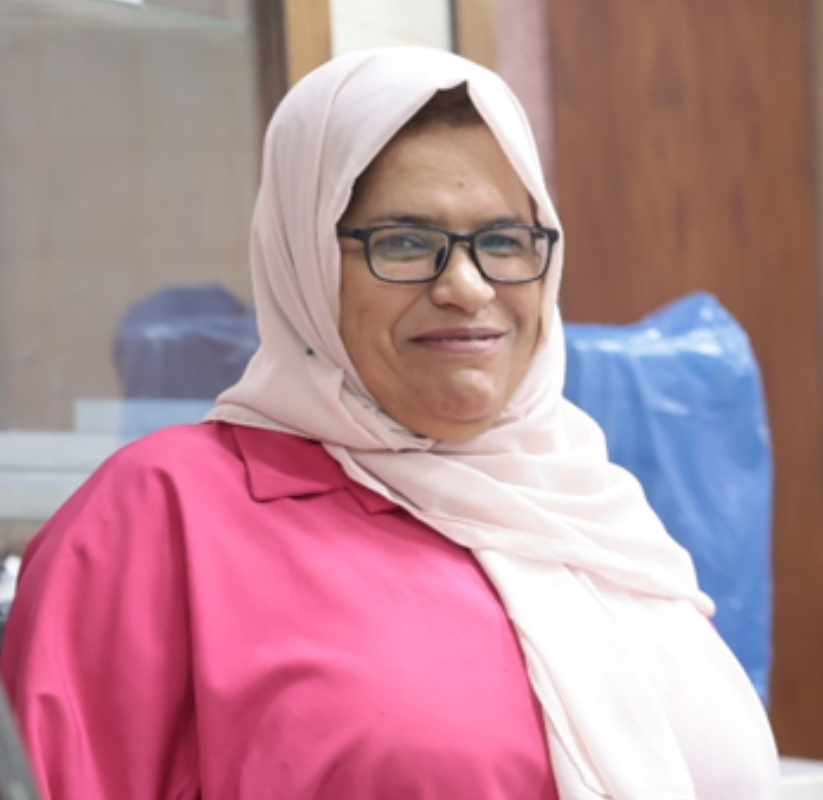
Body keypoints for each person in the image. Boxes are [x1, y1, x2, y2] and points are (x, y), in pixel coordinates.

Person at [0, 46, 780, 800]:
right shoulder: (163, 518)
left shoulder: (594, 515)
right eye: (406, 242)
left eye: (505, 240)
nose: (468, 286)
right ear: (304, 261)